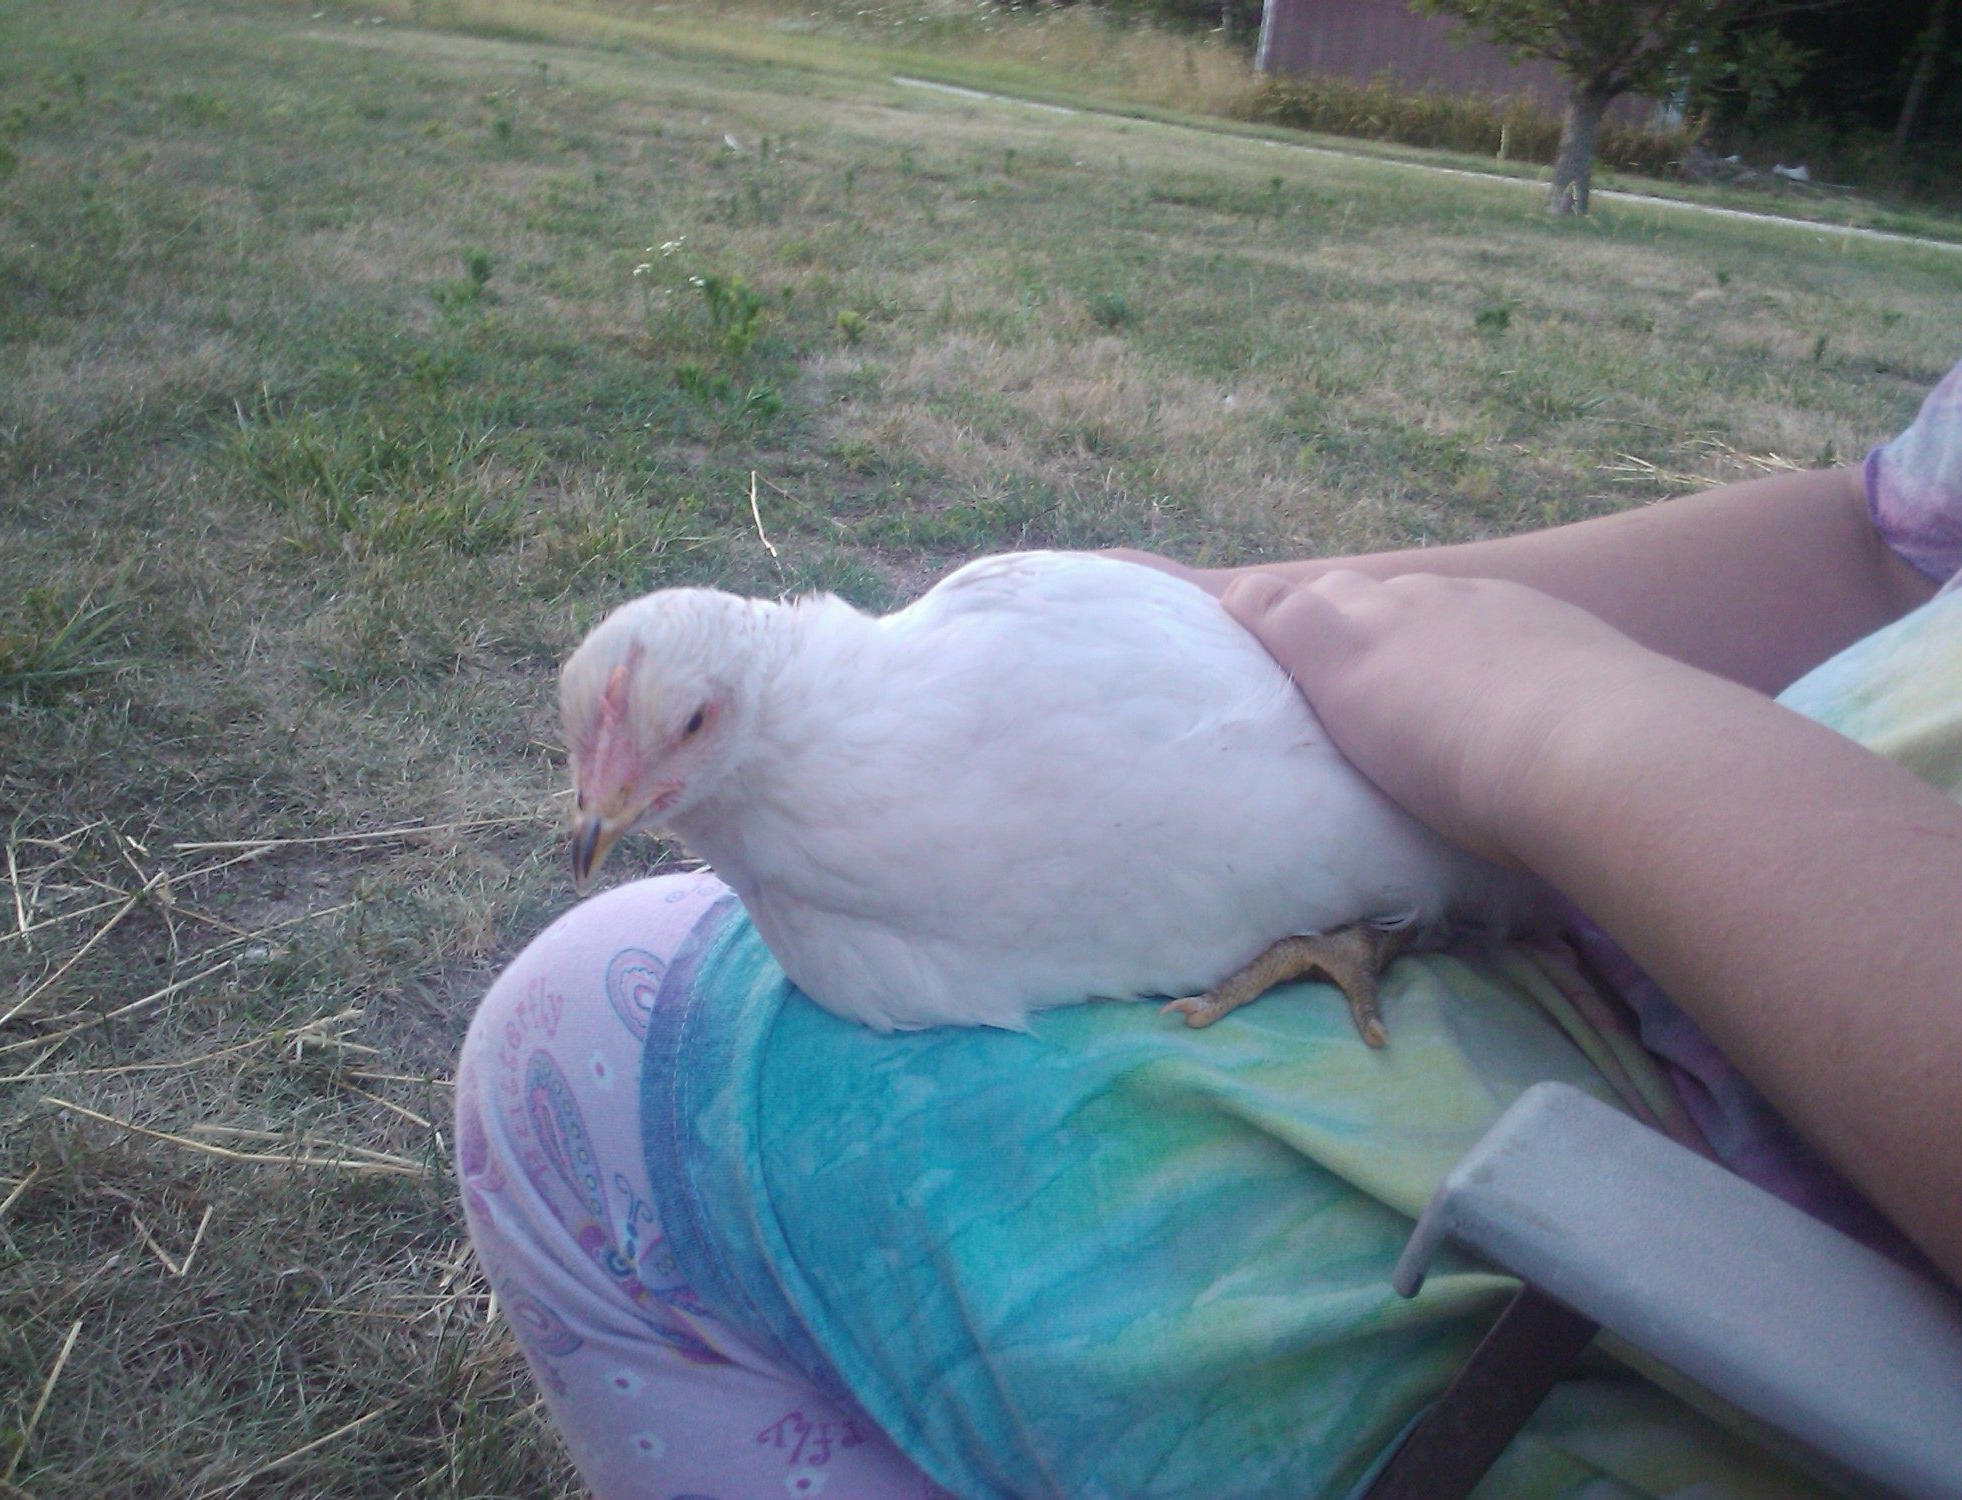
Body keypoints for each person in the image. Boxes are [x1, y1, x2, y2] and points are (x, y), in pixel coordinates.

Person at [456, 360, 1962, 1500]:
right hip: (1613, 888)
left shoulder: (994, 701)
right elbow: (1891, 539)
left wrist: (1557, 723)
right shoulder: (877, 812)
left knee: (601, 1048)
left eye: (684, 734)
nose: (621, 801)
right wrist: (1294, 604)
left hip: (1752, 1198)